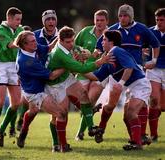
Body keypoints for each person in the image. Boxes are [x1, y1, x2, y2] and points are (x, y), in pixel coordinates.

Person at [96, 4, 160, 145]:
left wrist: (154, 60)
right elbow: (99, 48)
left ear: (131, 17)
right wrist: (93, 59)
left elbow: (155, 44)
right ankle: (101, 127)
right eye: (120, 15)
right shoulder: (112, 30)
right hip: (117, 71)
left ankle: (141, 135)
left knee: (136, 107)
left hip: (134, 70)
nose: (122, 18)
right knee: (111, 104)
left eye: (125, 15)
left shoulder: (141, 28)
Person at [46, 26, 113, 152]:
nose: (71, 44)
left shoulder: (70, 46)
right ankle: (58, 144)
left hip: (66, 77)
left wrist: (85, 53)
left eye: (72, 40)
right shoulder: (59, 53)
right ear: (60, 41)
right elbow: (81, 69)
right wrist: (99, 62)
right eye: (68, 42)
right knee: (60, 115)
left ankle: (91, 127)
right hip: (55, 84)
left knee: (83, 94)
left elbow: (79, 51)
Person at [85, 30, 152, 150]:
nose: (102, 42)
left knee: (131, 113)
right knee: (126, 117)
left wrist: (120, 84)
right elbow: (95, 77)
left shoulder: (116, 50)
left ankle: (137, 143)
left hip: (141, 84)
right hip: (132, 87)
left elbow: (129, 67)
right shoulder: (108, 58)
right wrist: (77, 68)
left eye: (104, 39)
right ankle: (135, 140)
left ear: (111, 42)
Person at [14, 31, 66, 152]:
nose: (36, 43)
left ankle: (23, 131)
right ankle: (60, 145)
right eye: (32, 41)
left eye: (35, 40)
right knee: (60, 114)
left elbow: (49, 48)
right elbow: (52, 76)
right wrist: (69, 64)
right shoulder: (27, 61)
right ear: (24, 45)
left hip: (31, 87)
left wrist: (60, 37)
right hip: (35, 93)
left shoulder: (31, 48)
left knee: (33, 111)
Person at [0, 7, 23, 146]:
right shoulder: (0, 30)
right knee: (0, 102)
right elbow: (11, 45)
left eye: (20, 19)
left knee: (16, 103)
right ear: (9, 18)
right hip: (1, 66)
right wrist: (22, 40)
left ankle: (1, 129)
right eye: (17, 19)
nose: (19, 23)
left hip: (14, 66)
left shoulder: (19, 30)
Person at [74, 9, 109, 141]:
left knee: (91, 99)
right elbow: (74, 46)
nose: (99, 23)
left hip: (101, 72)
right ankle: (90, 114)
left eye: (102, 20)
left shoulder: (110, 34)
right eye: (97, 20)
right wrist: (80, 53)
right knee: (84, 102)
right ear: (94, 20)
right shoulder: (85, 32)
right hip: (83, 71)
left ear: (107, 21)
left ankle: (80, 132)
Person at [146, 8, 165, 142]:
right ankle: (153, 135)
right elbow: (140, 47)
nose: (159, 22)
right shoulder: (150, 32)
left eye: (162, 20)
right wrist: (143, 51)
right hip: (154, 70)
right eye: (157, 20)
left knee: (162, 107)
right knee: (154, 102)